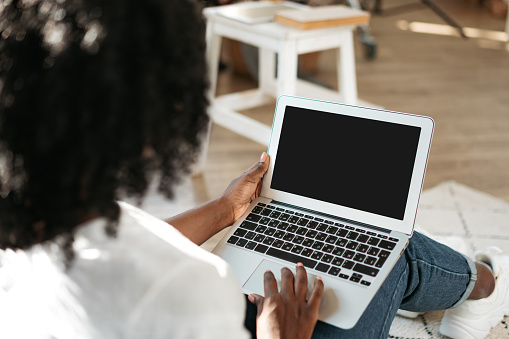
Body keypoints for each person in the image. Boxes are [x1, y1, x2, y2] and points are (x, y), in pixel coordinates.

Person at [0, 0, 507, 338]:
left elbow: (130, 236)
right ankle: (482, 284)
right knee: (386, 252)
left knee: (346, 246)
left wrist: (224, 209)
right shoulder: (183, 292)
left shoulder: (27, 234)